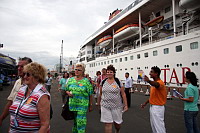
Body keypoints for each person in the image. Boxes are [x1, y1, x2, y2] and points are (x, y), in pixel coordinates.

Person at [9, 62, 50, 132]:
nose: (24, 76)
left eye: (28, 74)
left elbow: (45, 125)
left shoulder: (42, 95)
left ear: (37, 76)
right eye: (24, 74)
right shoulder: (22, 89)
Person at [0, 57, 32, 126]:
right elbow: (10, 102)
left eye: (22, 66)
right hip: (14, 123)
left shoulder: (34, 85)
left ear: (30, 68)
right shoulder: (17, 82)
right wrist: (2, 118)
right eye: (18, 66)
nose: (19, 68)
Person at [98, 65, 128, 133]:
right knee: (108, 123)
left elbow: (123, 94)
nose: (109, 73)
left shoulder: (118, 81)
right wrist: (99, 104)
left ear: (114, 73)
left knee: (117, 124)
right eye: (108, 72)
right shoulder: (103, 82)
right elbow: (100, 94)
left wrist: (125, 105)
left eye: (111, 72)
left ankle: (117, 130)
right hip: (105, 105)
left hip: (116, 106)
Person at [66, 64, 93, 133]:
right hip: (73, 104)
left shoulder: (86, 81)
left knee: (81, 122)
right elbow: (67, 89)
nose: (76, 71)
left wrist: (90, 105)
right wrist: (68, 93)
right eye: (76, 69)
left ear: (82, 71)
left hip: (82, 105)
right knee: (75, 122)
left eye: (79, 70)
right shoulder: (71, 80)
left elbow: (90, 93)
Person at [141, 66, 167, 133]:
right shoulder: (153, 84)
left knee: (159, 127)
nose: (149, 73)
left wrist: (149, 81)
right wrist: (145, 103)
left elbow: (157, 85)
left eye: (151, 72)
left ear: (156, 73)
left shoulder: (160, 83)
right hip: (153, 107)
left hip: (158, 108)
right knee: (154, 127)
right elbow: (152, 96)